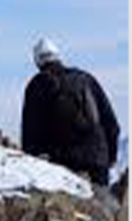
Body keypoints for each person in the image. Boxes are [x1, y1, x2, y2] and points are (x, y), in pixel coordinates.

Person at [21, 38, 119, 186]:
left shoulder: (36, 86)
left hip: (63, 163)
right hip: (97, 158)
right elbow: (110, 122)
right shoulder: (85, 78)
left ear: (37, 61)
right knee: (103, 206)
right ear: (58, 56)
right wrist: (110, 157)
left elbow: (30, 131)